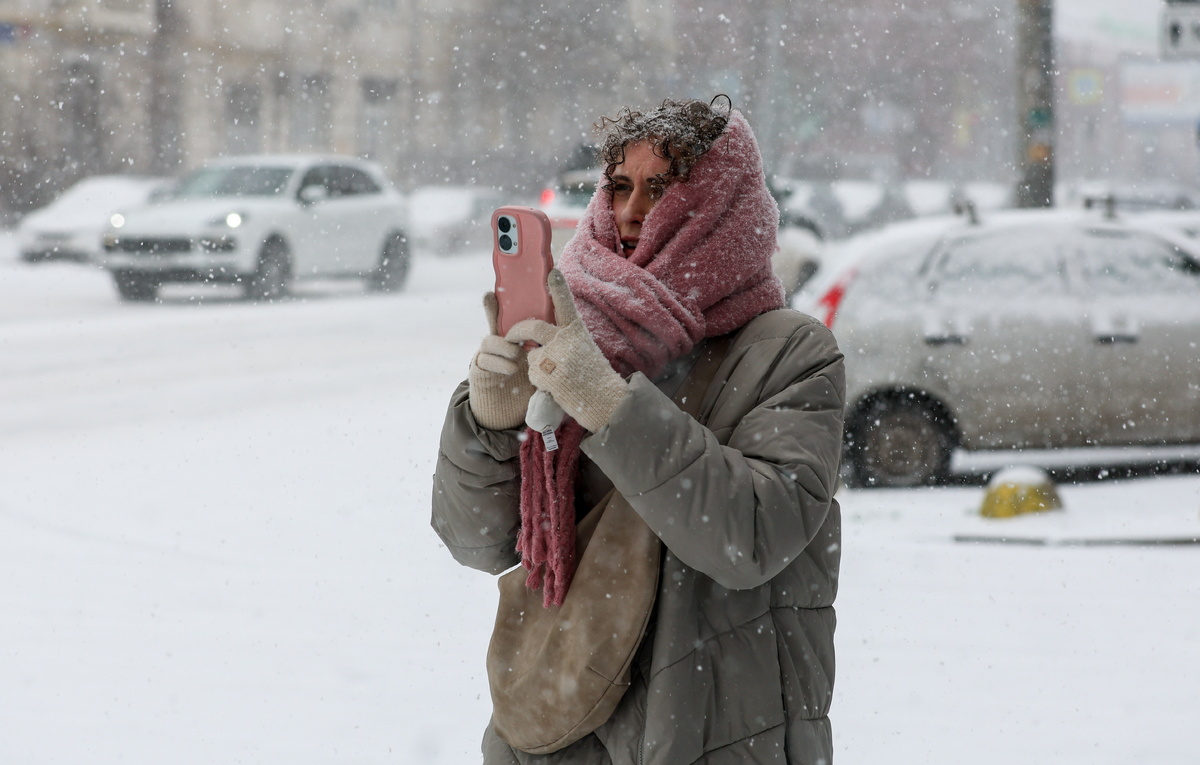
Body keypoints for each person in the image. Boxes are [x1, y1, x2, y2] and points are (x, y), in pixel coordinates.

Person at [431, 97, 845, 764]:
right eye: (619, 187)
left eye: (661, 190)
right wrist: (488, 423)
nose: (629, 213)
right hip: (561, 727)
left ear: (719, 203)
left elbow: (751, 536)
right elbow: (475, 542)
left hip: (718, 735)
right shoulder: (570, 332)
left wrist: (611, 407)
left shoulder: (789, 352)